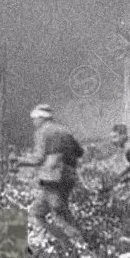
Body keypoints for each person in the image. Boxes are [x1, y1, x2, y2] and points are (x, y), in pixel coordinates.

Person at [16, 104, 85, 250]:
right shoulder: (65, 131)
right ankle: (72, 242)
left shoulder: (42, 132)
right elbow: (79, 152)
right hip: (68, 177)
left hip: (51, 178)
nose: (33, 122)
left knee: (52, 214)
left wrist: (21, 160)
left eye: (34, 119)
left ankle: (74, 243)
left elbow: (39, 158)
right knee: (42, 211)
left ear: (41, 118)